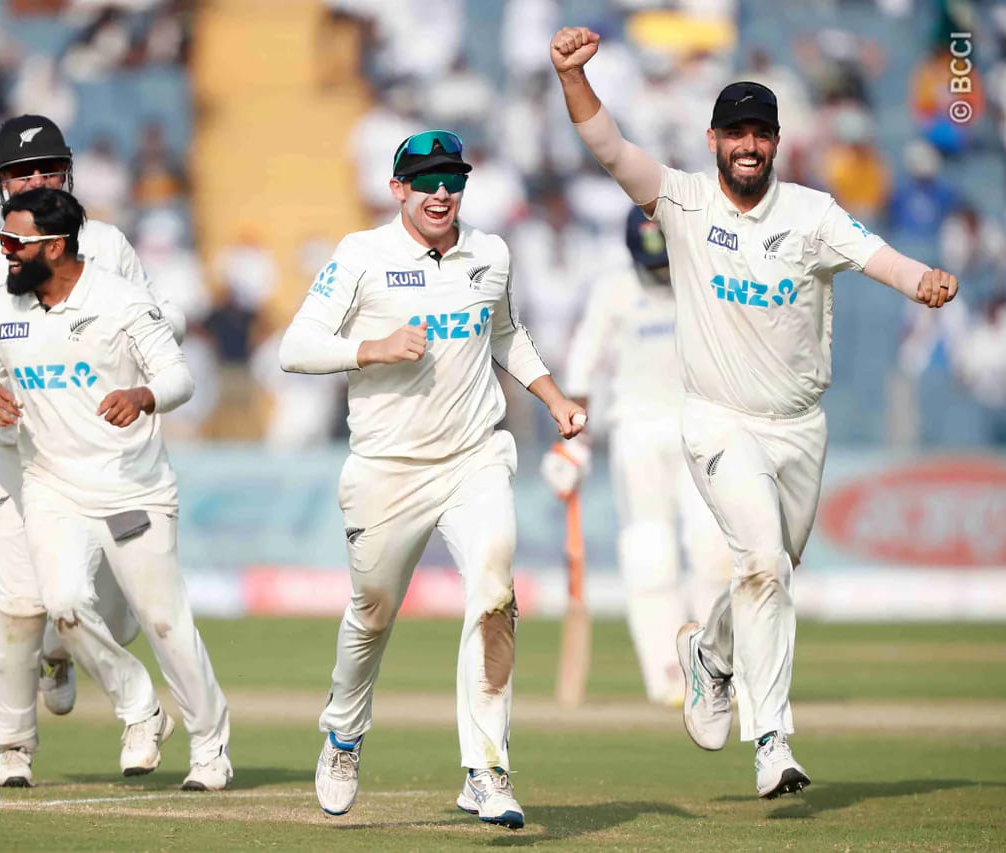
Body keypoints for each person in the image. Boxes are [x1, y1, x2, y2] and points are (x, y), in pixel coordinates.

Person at [551, 27, 960, 799]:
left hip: (799, 426)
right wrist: (573, 77)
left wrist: (922, 283)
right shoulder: (680, 198)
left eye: (760, 133)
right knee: (763, 565)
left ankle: (711, 653)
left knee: (769, 570)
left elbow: (878, 256)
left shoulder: (811, 213)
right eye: (734, 132)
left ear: (776, 141)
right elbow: (608, 148)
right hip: (717, 418)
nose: (747, 145)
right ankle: (771, 738)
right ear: (712, 139)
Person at [279, 130, 586, 828]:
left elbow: (505, 333)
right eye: (427, 181)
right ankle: (344, 734)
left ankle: (485, 768)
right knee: (372, 613)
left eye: (453, 179)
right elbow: (294, 347)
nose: (442, 192)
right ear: (398, 190)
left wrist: (554, 397)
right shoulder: (362, 255)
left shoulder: (491, 253)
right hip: (388, 467)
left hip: (475, 457)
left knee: (496, 593)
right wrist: (373, 347)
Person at [0, 114, 188, 787]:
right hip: (20, 460)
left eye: (45, 170)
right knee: (18, 602)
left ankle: (63, 651)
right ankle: (13, 750)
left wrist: (135, 389)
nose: (34, 181)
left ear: (66, 174)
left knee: (112, 609)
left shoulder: (112, 245)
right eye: (19, 173)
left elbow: (156, 329)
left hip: (105, 459)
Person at [0, 188, 232, 790]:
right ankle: (139, 708)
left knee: (164, 622)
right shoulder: (2, 309)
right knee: (61, 605)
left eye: (14, 243)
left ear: (53, 246)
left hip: (132, 487)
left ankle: (211, 747)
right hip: (50, 486)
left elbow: (179, 376)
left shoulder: (121, 300)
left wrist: (143, 396)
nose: (4, 254)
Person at [542, 207, 731, 708]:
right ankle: (667, 675)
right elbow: (582, 369)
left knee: (712, 549)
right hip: (637, 432)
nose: (659, 272)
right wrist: (572, 442)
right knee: (650, 554)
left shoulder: (704, 282)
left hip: (700, 427)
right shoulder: (615, 290)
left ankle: (716, 670)